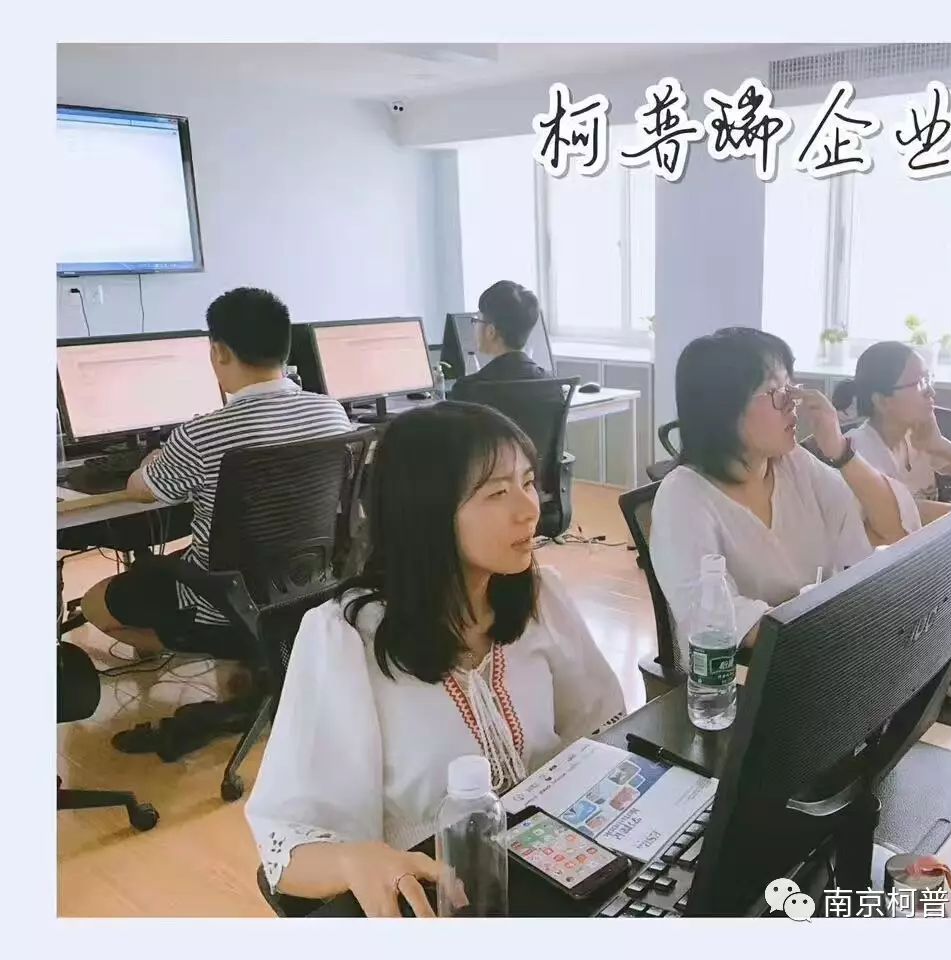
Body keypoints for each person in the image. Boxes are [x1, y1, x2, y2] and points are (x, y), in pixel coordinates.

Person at [245, 402, 625, 917]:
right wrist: (356, 862)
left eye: (528, 482)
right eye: (497, 493)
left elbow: (601, 727)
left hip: (559, 872)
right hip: (440, 902)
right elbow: (287, 846)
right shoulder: (345, 640)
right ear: (426, 512)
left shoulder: (539, 596)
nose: (530, 508)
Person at [80, 288, 352, 660]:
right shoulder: (331, 413)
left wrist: (153, 460)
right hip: (308, 585)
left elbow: (140, 491)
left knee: (94, 602)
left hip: (220, 602)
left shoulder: (202, 434)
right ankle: (253, 664)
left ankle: (237, 652)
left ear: (219, 352)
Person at [648, 328, 922, 668]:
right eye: (776, 392)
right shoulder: (683, 497)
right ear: (723, 408)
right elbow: (717, 619)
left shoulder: (794, 464)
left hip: (820, 654)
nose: (794, 402)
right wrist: (852, 635)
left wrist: (840, 450)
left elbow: (892, 529)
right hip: (745, 676)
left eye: (791, 387)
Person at [832, 341, 951, 524]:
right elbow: (906, 515)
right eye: (920, 383)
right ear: (882, 401)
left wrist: (941, 445)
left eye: (928, 379)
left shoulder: (916, 436)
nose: (931, 391)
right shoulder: (856, 455)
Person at [449, 281, 547, 400]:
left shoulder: (467, 389)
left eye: (477, 320)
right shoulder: (552, 386)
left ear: (491, 332)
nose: (474, 326)